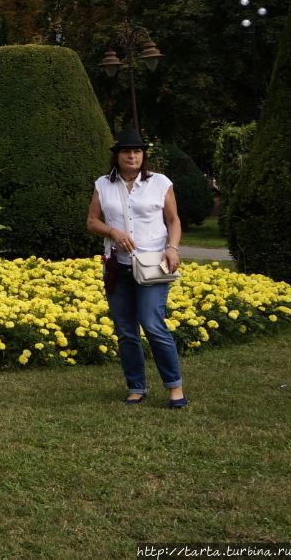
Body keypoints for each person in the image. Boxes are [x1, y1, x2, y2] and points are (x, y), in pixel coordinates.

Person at [86, 130, 187, 408]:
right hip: (118, 268)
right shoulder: (103, 185)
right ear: (116, 156)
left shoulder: (160, 183)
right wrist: (113, 231)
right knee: (126, 331)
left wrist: (173, 248)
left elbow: (174, 220)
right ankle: (136, 386)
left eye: (138, 151)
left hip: (153, 265)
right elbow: (92, 221)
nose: (132, 156)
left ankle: (174, 388)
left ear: (144, 156)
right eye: (126, 151)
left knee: (153, 325)